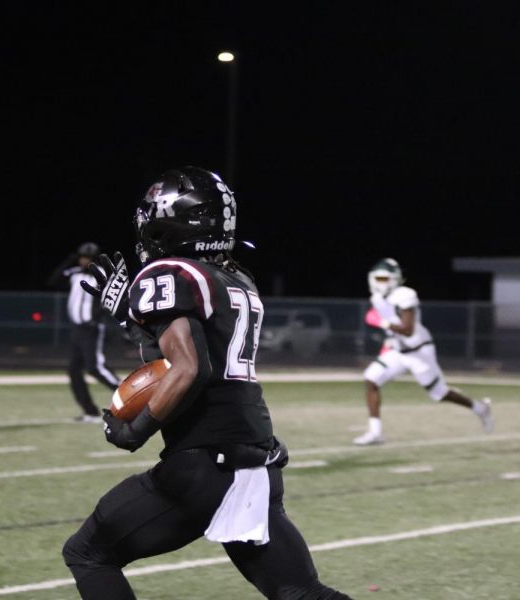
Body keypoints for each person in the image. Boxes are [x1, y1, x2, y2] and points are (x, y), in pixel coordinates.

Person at [63, 167, 351, 600]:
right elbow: (213, 361)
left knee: (87, 553)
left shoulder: (170, 272)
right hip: (255, 462)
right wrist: (132, 315)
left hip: (203, 467)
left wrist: (134, 431)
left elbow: (188, 367)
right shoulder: (237, 279)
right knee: (299, 592)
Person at [353, 258, 493, 446]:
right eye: (378, 278)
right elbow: (391, 327)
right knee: (371, 379)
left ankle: (479, 407)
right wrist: (387, 343)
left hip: (419, 352)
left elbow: (408, 330)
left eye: (384, 278)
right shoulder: (376, 299)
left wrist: (382, 323)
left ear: (395, 279)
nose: (380, 283)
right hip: (398, 350)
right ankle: (375, 432)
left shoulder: (406, 295)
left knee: (439, 393)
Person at [48, 242, 120, 422]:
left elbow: (111, 299)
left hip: (91, 329)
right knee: (74, 370)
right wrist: (69, 261)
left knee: (96, 368)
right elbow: (53, 281)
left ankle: (130, 395)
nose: (83, 261)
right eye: (81, 257)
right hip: (77, 330)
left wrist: (97, 317)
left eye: (86, 258)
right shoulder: (74, 274)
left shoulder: (101, 275)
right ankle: (90, 411)